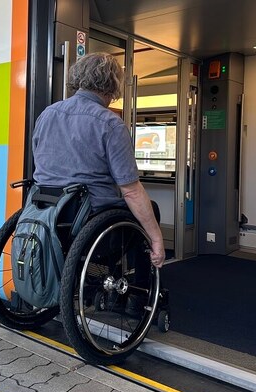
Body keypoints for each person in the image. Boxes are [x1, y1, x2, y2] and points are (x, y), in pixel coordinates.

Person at [32, 52, 165, 268]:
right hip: (90, 217)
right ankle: (140, 293)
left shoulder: (47, 114)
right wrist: (157, 239)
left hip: (49, 212)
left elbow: (40, 161)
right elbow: (130, 191)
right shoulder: (110, 123)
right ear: (111, 85)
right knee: (151, 209)